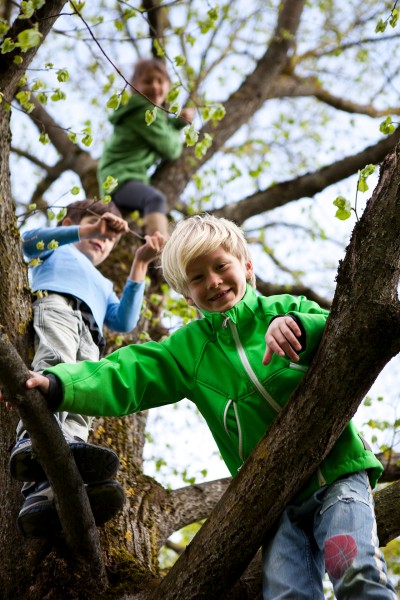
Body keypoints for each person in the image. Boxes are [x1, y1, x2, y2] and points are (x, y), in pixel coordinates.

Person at [8, 214, 396, 597]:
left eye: (220, 266)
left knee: (355, 567)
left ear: (246, 265)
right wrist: (60, 383)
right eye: (197, 278)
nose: (213, 281)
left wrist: (298, 326)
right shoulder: (190, 349)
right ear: (185, 293)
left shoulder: (282, 308)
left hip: (337, 473)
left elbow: (341, 328)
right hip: (273, 501)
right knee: (286, 593)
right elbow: (131, 371)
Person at [10, 198, 165, 539]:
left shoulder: (104, 284)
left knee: (83, 396)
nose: (104, 240)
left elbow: (124, 320)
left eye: (110, 238)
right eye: (98, 230)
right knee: (55, 365)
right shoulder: (56, 250)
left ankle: (45, 490)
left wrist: (140, 262)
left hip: (92, 334)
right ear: (70, 222)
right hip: (58, 306)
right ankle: (30, 440)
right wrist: (87, 228)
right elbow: (27, 242)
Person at [97, 57, 194, 240]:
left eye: (160, 81)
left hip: (119, 177)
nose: (155, 86)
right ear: (134, 86)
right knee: (155, 199)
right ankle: (160, 254)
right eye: (147, 81)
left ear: (168, 86)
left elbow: (160, 132)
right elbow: (171, 149)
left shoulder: (148, 114)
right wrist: (179, 126)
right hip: (121, 178)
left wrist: (176, 124)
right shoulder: (143, 111)